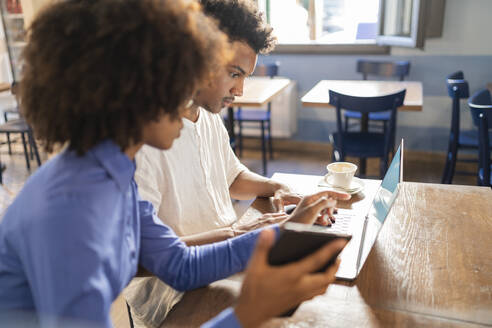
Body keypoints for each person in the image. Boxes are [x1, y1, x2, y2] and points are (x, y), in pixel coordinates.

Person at [0, 0, 349, 327]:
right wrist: (248, 312)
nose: (190, 90)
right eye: (181, 75)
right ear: (129, 88)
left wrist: (283, 231)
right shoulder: (71, 215)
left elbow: (179, 265)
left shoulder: (110, 174)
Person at [126, 0, 348, 325]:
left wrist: (279, 188)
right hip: (173, 296)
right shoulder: (142, 142)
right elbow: (162, 262)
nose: (240, 90)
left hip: (221, 265)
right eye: (234, 73)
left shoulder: (209, 116)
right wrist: (242, 234)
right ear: (199, 56)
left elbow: (231, 176)